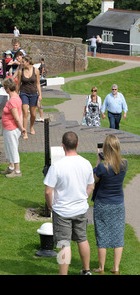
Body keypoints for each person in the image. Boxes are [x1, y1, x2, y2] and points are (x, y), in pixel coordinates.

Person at [44, 131, 94, 275]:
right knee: (82, 239)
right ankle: (86, 270)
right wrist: (83, 197)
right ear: (77, 144)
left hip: (62, 210)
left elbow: (48, 191)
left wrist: (51, 206)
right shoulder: (86, 163)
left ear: (63, 146)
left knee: (63, 243)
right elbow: (91, 186)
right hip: (80, 209)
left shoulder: (57, 166)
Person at [92, 135, 127, 275]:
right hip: (118, 204)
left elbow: (94, 179)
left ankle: (101, 268)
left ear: (106, 148)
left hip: (103, 204)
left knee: (102, 235)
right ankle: (116, 268)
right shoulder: (124, 164)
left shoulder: (102, 167)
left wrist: (98, 160)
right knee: (118, 236)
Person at [0, 78, 26, 178]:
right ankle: (11, 167)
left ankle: (17, 171)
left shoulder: (12, 101)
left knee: (13, 148)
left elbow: (16, 117)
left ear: (7, 88)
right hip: (10, 128)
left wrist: (22, 128)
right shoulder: (16, 97)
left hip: (11, 129)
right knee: (9, 148)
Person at [16, 55, 42, 139]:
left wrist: (40, 94)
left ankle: (31, 126)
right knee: (25, 113)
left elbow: (38, 83)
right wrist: (16, 94)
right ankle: (25, 132)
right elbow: (18, 83)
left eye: (23, 62)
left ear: (28, 62)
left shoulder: (36, 71)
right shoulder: (21, 71)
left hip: (33, 93)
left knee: (33, 114)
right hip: (24, 93)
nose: (21, 63)